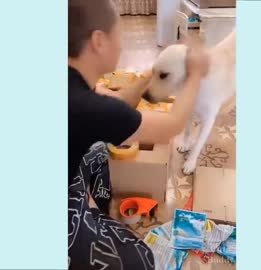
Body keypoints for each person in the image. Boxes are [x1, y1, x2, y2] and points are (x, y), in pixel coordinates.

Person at [68, 0, 210, 269]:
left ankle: (94, 216)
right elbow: (172, 125)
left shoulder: (72, 82)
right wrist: (196, 74)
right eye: (118, 36)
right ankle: (81, 226)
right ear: (99, 41)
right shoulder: (86, 107)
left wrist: (153, 73)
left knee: (97, 151)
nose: (121, 45)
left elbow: (118, 102)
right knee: (141, 259)